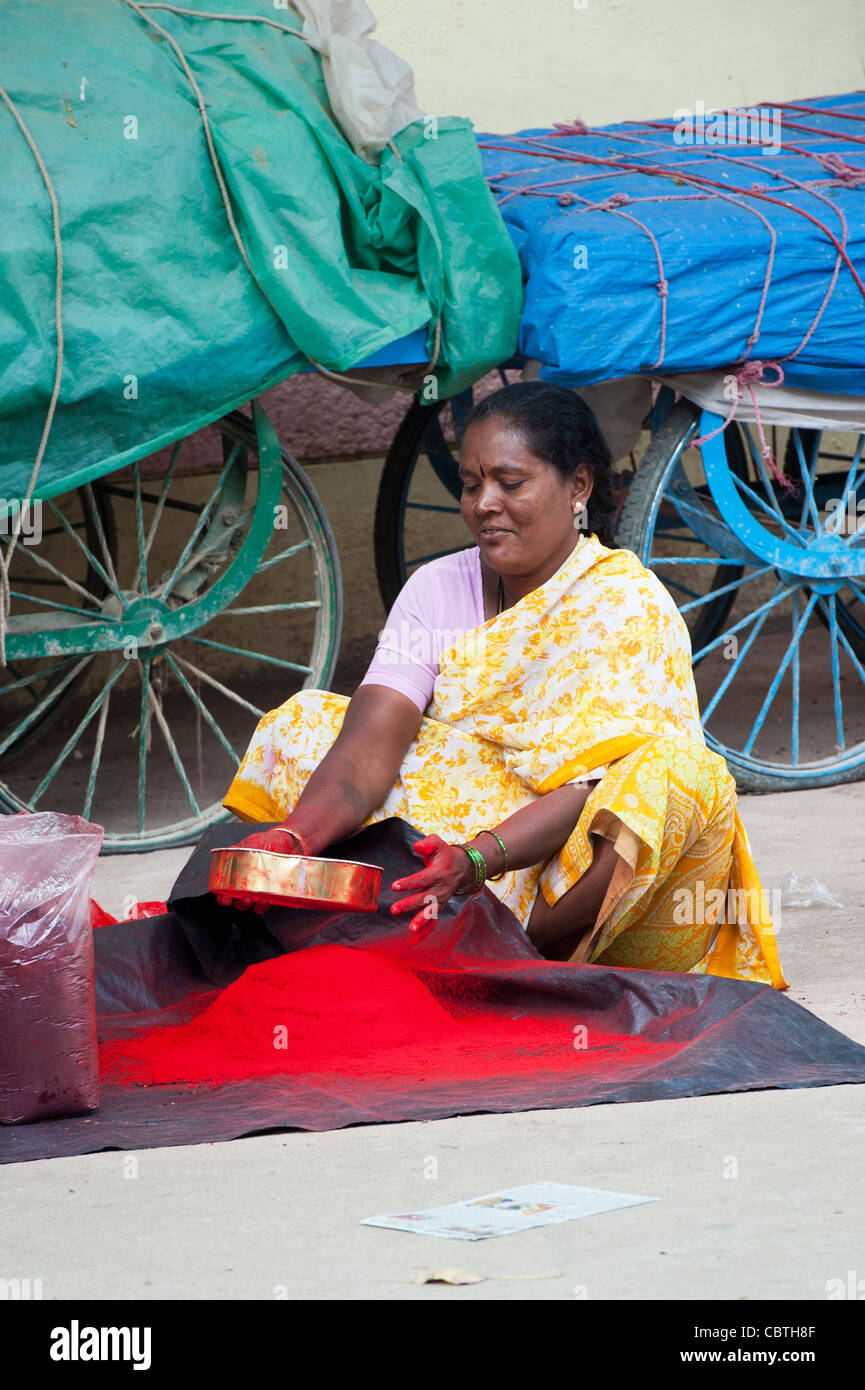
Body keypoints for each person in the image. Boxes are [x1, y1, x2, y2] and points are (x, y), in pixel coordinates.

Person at [222, 381, 785, 986]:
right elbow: (368, 748)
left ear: (578, 487)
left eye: (510, 484)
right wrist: (295, 837)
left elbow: (596, 785)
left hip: (576, 889)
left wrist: (475, 859)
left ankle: (508, 951)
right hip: (447, 864)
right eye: (470, 484)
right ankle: (430, 925)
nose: (483, 504)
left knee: (681, 774)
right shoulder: (435, 588)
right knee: (305, 722)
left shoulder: (625, 603)